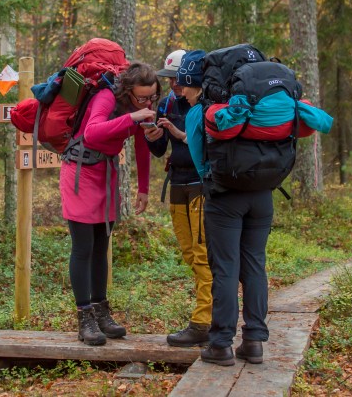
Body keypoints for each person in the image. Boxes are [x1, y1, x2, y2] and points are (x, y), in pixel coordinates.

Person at [180, 49, 272, 366]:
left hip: (225, 197)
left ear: (198, 84)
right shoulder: (252, 106)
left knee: (225, 268)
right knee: (255, 265)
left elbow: (199, 162)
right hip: (262, 194)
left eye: (184, 85)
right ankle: (254, 341)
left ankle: (221, 345)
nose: (182, 91)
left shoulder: (200, 113)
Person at [60, 62, 159, 346]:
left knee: (101, 246)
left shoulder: (140, 106)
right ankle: (84, 317)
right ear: (128, 91)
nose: (147, 102)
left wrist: (143, 188)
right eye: (141, 97)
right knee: (84, 247)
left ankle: (101, 311)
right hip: (80, 172)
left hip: (106, 174)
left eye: (152, 96)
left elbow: (141, 143)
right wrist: (132, 117)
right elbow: (92, 133)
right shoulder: (106, 97)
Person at [144, 50, 212, 347]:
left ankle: (203, 322)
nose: (173, 84)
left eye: (177, 79)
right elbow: (160, 150)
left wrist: (181, 133)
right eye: (169, 79)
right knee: (188, 253)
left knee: (202, 253)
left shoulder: (204, 103)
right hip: (177, 183)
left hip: (200, 185)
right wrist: (152, 138)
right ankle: (211, 316)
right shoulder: (166, 104)